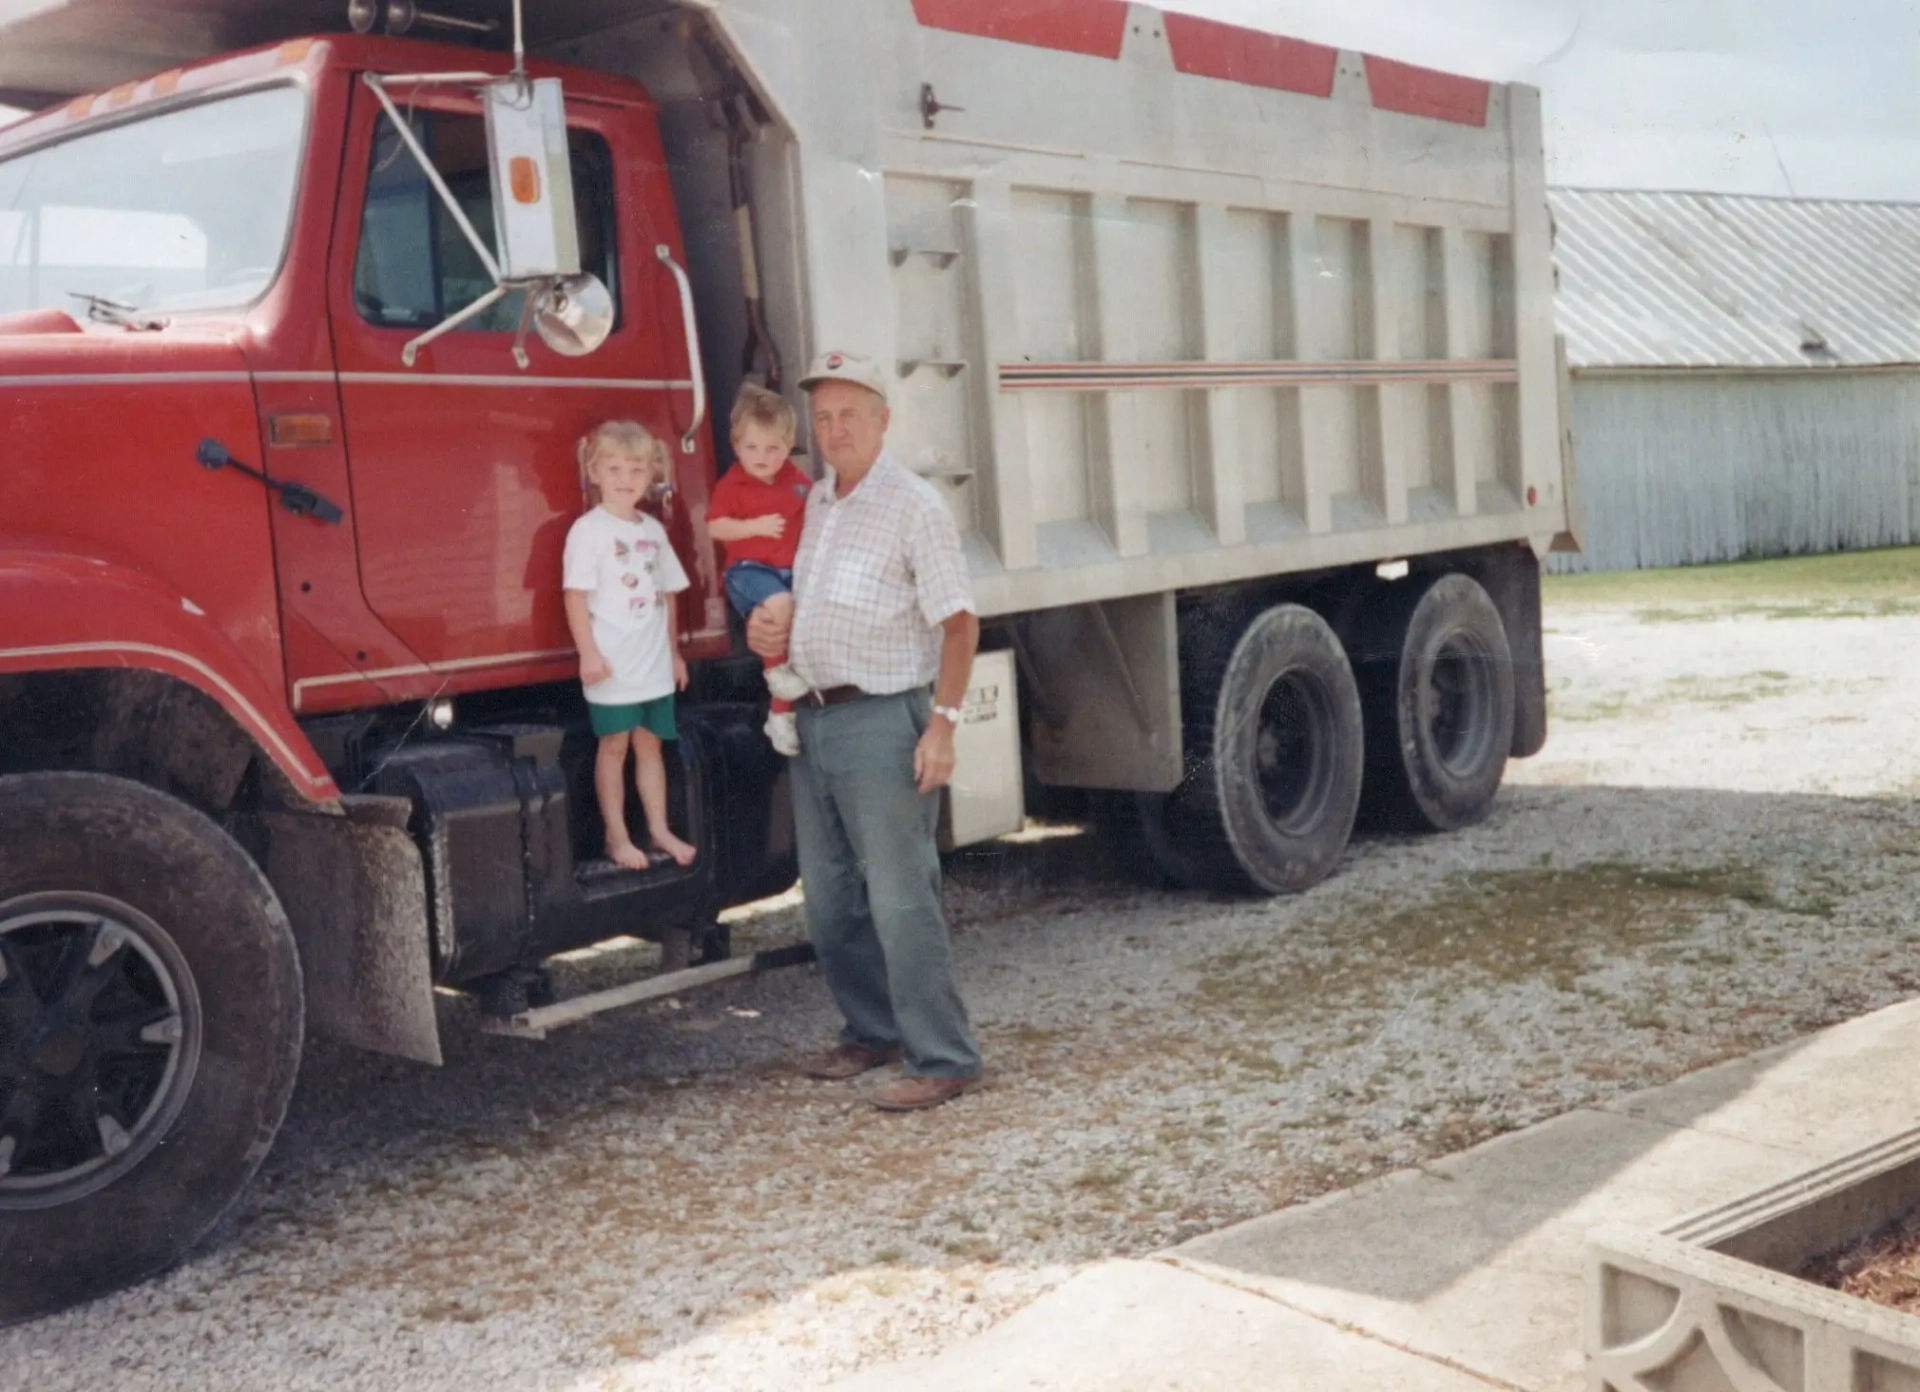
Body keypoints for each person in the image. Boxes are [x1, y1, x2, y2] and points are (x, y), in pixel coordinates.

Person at [749, 349, 984, 1112]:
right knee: (828, 899)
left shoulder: (913, 504)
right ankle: (872, 1029)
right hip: (814, 720)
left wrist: (941, 727)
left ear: (883, 420)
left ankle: (944, 1057)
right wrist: (774, 635)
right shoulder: (820, 502)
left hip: (883, 719)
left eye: (850, 413)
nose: (834, 427)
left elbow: (959, 624)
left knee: (900, 897)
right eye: (822, 417)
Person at [562, 420, 697, 872]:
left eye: (636, 471)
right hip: (612, 667)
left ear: (650, 476)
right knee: (613, 747)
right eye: (614, 468)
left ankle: (657, 828)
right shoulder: (588, 531)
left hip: (653, 662)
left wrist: (674, 651)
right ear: (594, 472)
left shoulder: (653, 532)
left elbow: (668, 593)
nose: (625, 479)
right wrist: (588, 653)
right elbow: (576, 596)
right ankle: (616, 836)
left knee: (651, 746)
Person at [706, 384, 814, 756]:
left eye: (773, 449)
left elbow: (817, 504)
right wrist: (754, 527)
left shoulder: (796, 481)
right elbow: (716, 527)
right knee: (780, 605)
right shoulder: (733, 483)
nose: (762, 457)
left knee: (788, 632)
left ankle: (780, 716)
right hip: (748, 571)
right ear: (736, 446)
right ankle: (773, 675)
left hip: (787, 570)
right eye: (751, 448)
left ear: (788, 446)